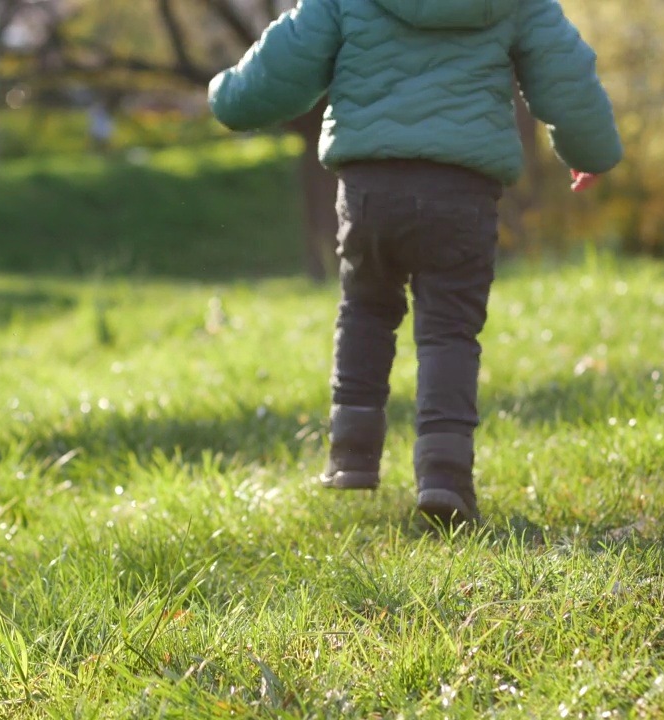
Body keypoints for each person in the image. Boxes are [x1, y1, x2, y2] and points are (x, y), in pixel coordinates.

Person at [207, 0, 622, 525]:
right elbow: (566, 77)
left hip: (369, 190)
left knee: (365, 309)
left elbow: (282, 65)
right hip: (462, 192)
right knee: (449, 332)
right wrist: (592, 151)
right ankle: (445, 477)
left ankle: (352, 453)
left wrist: (226, 96)